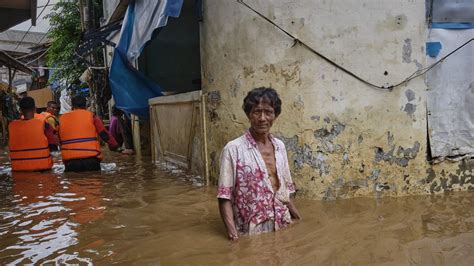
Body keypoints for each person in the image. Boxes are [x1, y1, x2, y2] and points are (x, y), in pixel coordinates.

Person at [217, 87, 301, 241]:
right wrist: (232, 236)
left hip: (283, 225)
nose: (262, 118)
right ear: (249, 114)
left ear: (275, 115)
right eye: (257, 112)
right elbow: (224, 196)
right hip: (251, 233)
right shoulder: (233, 149)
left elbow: (286, 189)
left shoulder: (280, 147)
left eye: (268, 112)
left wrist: (299, 219)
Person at [59, 95, 118, 172]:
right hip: (91, 160)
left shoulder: (62, 119)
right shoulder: (92, 116)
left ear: (72, 106)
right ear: (85, 105)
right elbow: (103, 133)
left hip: (71, 162)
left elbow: (59, 138)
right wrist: (115, 146)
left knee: (73, 182)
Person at [8, 96, 59, 171]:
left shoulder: (11, 127)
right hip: (42, 168)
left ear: (20, 110)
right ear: (35, 108)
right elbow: (53, 148)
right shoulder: (44, 124)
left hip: (19, 170)